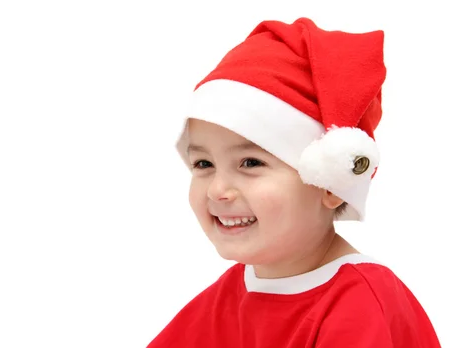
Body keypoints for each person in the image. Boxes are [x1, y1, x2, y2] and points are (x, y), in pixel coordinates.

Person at [147, 17, 441, 347]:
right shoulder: (233, 291)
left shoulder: (359, 303)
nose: (217, 189)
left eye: (250, 162)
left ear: (330, 184)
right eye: (203, 163)